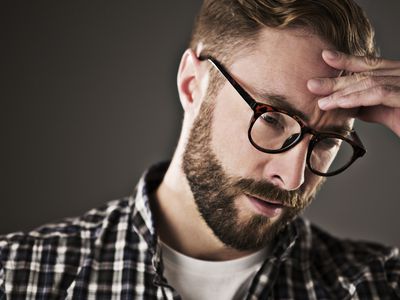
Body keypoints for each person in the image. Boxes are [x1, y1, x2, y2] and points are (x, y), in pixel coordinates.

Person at [1, 0, 399, 299]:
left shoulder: (376, 285)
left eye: (328, 141)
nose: (292, 177)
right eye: (273, 119)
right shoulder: (19, 277)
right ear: (193, 83)